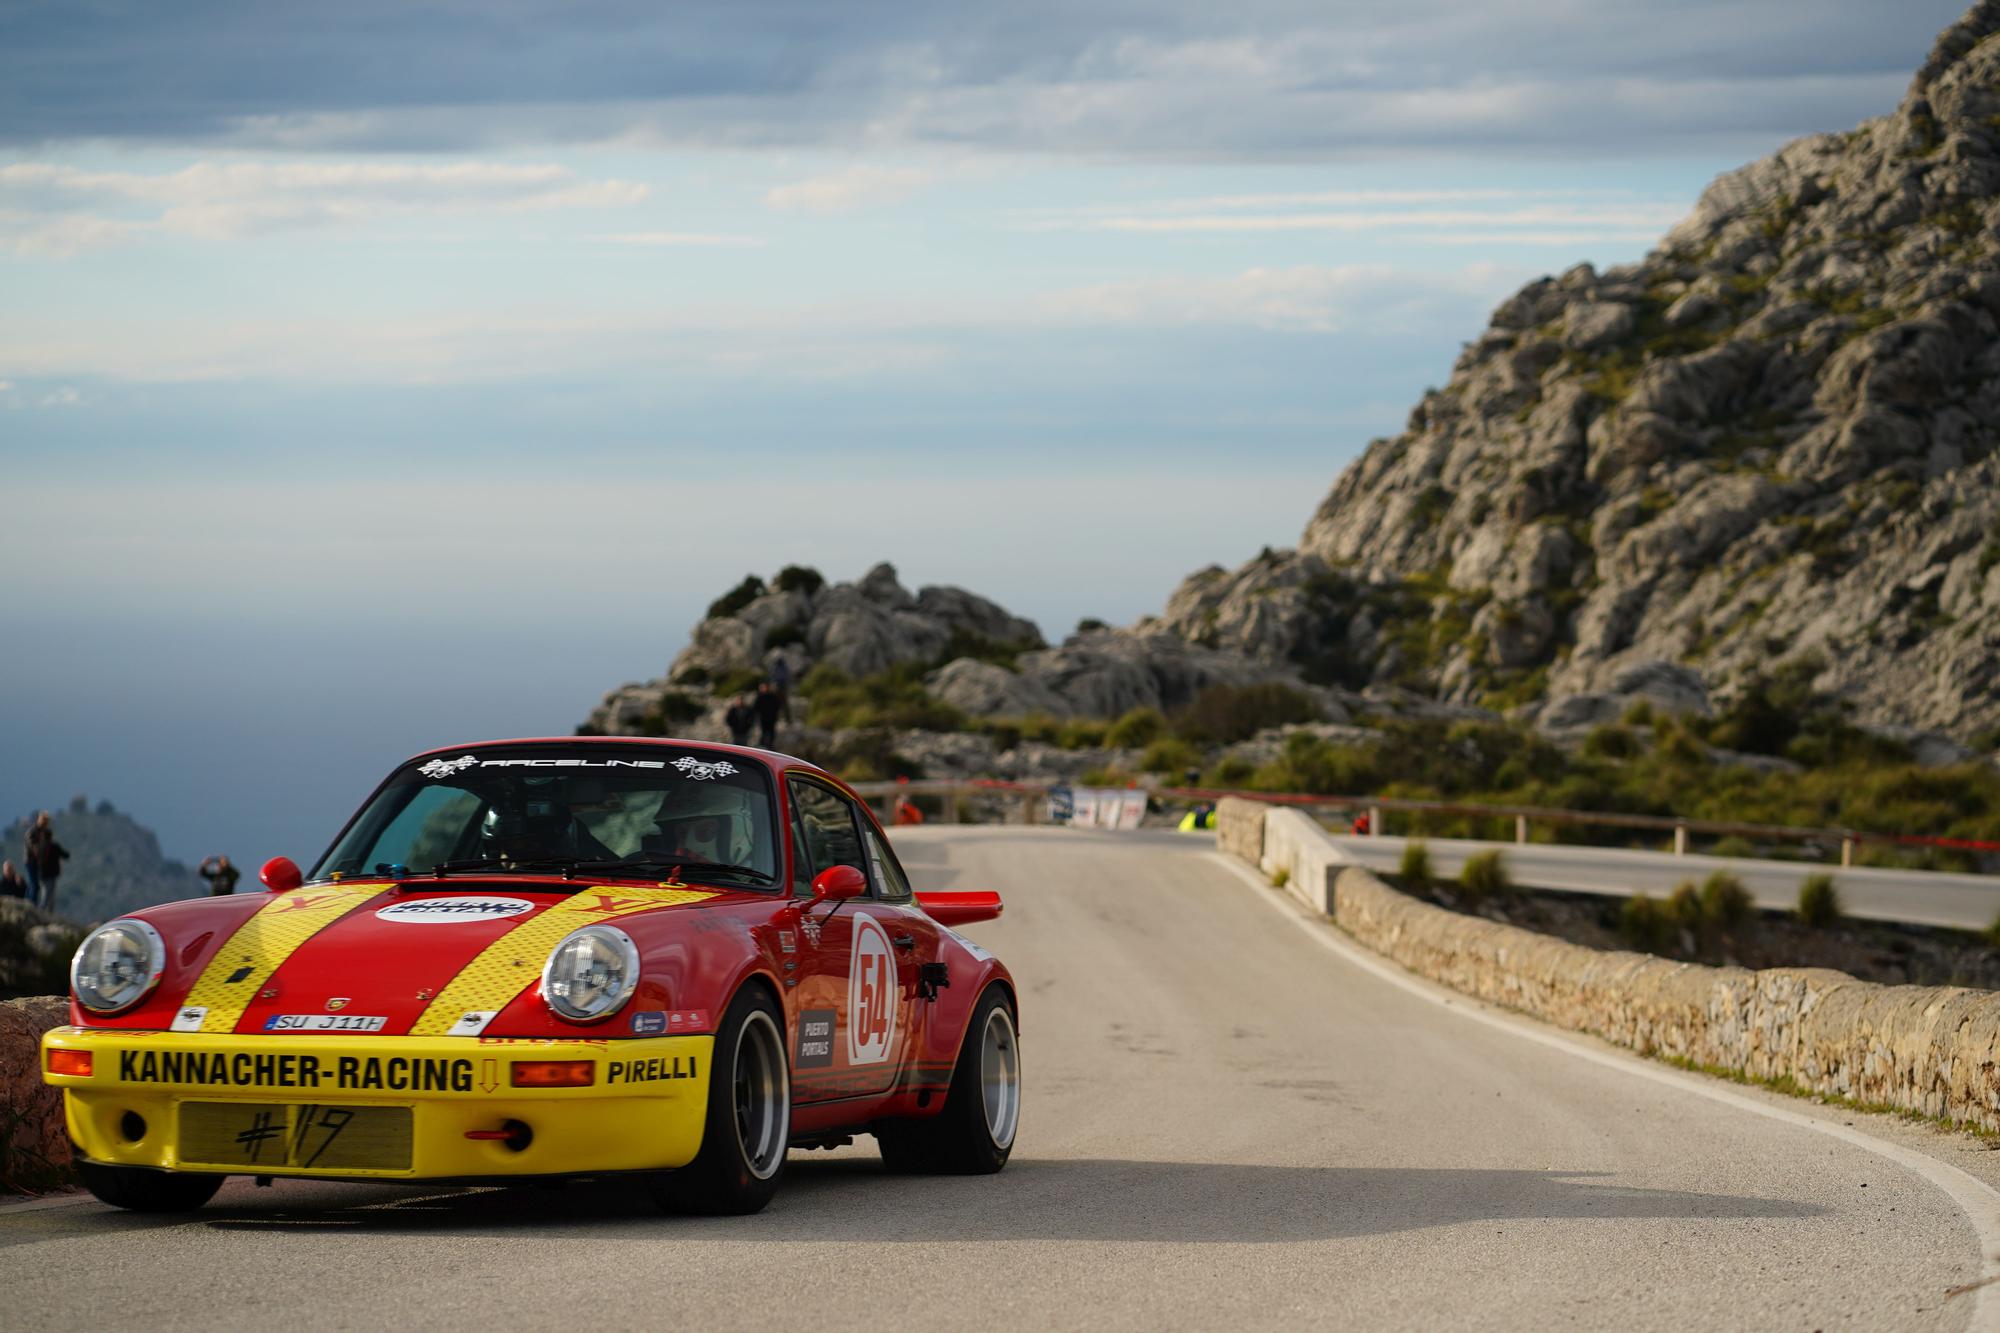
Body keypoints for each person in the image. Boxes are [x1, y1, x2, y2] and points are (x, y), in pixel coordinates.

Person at [25, 811, 70, 916]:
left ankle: (43, 913)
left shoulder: (44, 836)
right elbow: (32, 848)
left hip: (42, 869)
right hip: (33, 863)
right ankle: (35, 910)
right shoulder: (33, 832)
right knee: (36, 887)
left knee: (44, 890)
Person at [753, 681, 784, 749]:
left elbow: (778, 706)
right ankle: (764, 746)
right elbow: (755, 708)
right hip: (763, 719)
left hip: (771, 719)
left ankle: (770, 747)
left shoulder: (773, 696)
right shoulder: (760, 697)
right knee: (763, 734)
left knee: (771, 734)